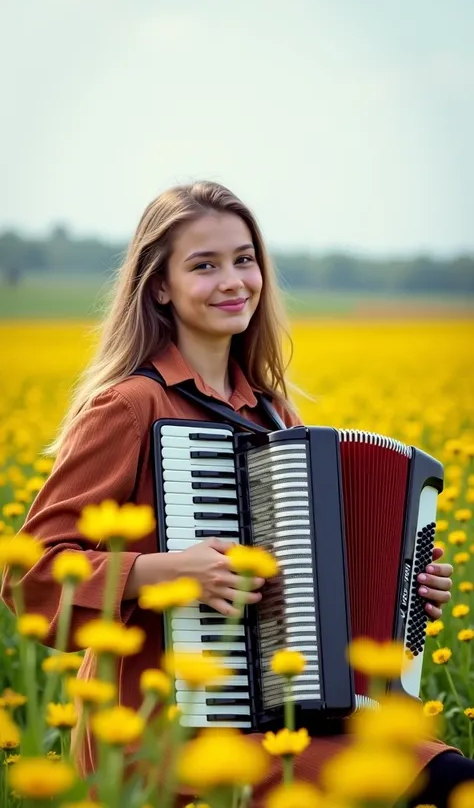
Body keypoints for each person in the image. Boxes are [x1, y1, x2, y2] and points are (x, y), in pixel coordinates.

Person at [0, 181, 467, 806]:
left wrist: (407, 593)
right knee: (444, 782)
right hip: (160, 728)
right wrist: (163, 571)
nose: (233, 280)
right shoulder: (132, 406)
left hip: (279, 724)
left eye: (244, 259)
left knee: (445, 774)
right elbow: (29, 572)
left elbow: (330, 588)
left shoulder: (276, 417)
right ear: (160, 285)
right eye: (204, 265)